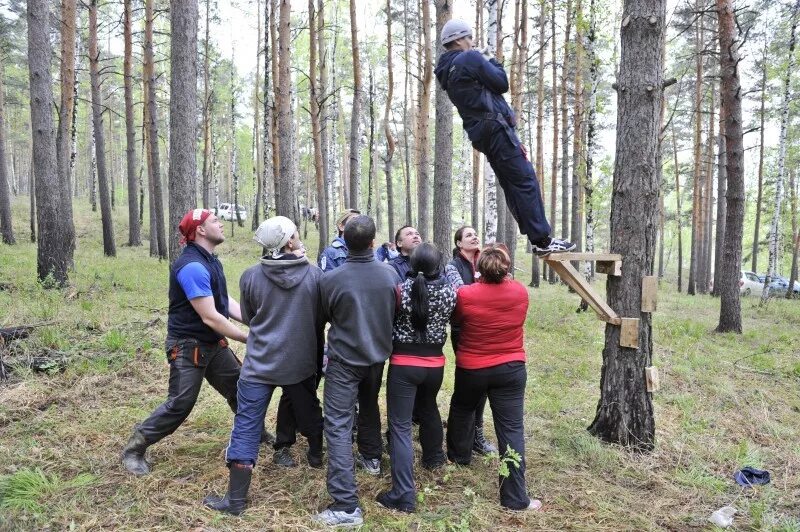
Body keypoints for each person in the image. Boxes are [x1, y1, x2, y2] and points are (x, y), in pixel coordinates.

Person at [121, 209, 270, 475]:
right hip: (189, 345)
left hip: (212, 345)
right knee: (180, 403)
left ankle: (256, 433)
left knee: (240, 389)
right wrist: (250, 337)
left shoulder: (210, 260)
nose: (221, 223)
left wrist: (255, 321)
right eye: (215, 221)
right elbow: (210, 316)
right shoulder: (192, 266)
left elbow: (224, 304)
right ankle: (135, 448)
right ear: (200, 230)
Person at [204, 216, 324, 515]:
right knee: (308, 410)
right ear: (289, 242)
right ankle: (316, 454)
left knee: (246, 425)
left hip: (259, 363)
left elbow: (249, 314)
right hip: (299, 362)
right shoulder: (315, 276)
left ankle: (235, 500)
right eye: (295, 234)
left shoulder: (250, 276)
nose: (298, 237)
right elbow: (320, 316)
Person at [434, 19, 575, 256]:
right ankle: (542, 240)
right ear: (459, 39)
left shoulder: (446, 71)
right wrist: (489, 58)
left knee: (513, 184)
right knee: (525, 180)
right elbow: (501, 83)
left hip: (482, 135)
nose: (472, 42)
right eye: (469, 38)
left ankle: (537, 237)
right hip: (497, 130)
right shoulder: (469, 58)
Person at [313, 215, 400, 527]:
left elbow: (320, 320)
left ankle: (346, 505)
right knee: (369, 406)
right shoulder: (390, 275)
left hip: (344, 362)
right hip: (376, 358)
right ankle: (372, 458)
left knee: (337, 425)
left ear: (343, 242)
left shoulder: (329, 280)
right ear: (373, 242)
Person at [446, 245, 542, 511]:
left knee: (463, 408)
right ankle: (514, 498)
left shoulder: (465, 294)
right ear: (506, 269)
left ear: (478, 270)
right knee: (511, 429)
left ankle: (458, 456)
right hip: (511, 367)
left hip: (472, 367)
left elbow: (457, 319)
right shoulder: (520, 291)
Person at [377, 243, 456, 513]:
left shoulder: (401, 291)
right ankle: (434, 457)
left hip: (404, 364)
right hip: (435, 364)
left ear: (411, 265)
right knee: (429, 408)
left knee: (399, 426)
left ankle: (403, 493)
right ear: (439, 266)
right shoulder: (449, 292)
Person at [447, 226, 498, 456]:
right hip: (464, 330)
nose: (474, 237)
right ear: (459, 243)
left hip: (488, 330)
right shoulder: (453, 266)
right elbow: (462, 295)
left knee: (485, 385)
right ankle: (464, 438)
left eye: (475, 234)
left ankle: (477, 432)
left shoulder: (486, 261)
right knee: (469, 384)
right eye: (468, 235)